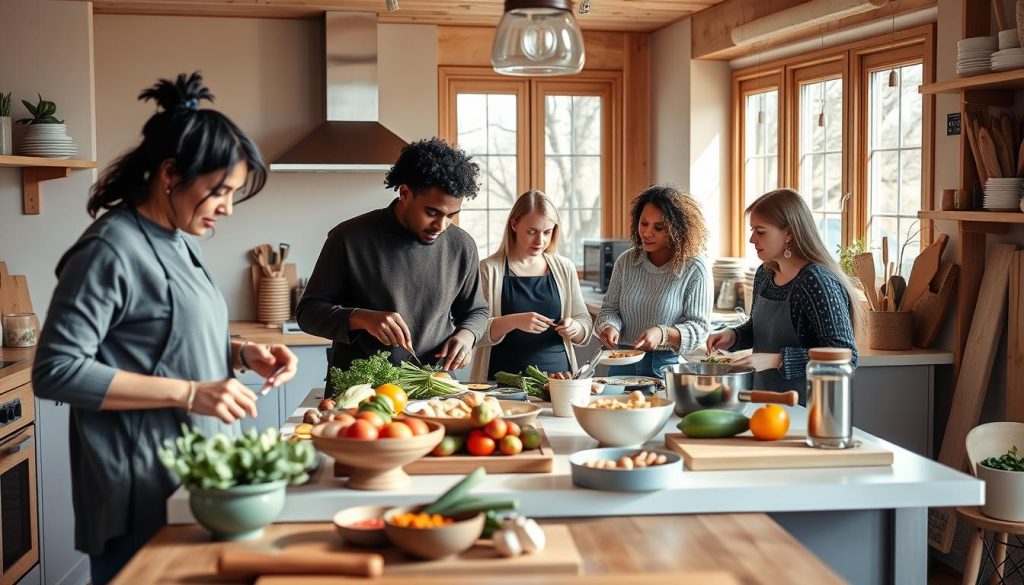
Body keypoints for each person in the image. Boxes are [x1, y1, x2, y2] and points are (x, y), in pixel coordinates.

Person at [31, 73, 297, 585]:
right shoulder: (110, 248)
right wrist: (192, 392)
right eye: (218, 191)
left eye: (233, 193)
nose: (227, 206)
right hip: (140, 488)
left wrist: (243, 355)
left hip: (191, 478)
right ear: (171, 174)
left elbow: (166, 338)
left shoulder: (176, 239)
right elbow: (56, 370)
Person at [296, 138, 489, 378]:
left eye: (451, 215)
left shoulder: (462, 246)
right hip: (361, 391)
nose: (441, 225)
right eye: (432, 212)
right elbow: (308, 314)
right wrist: (362, 318)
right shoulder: (349, 237)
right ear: (405, 193)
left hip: (432, 389)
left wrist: (466, 335)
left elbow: (477, 311)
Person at [706, 188, 860, 400]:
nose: (751, 239)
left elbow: (845, 356)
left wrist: (775, 360)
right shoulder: (764, 274)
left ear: (789, 233)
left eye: (760, 232)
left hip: (809, 409)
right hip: (762, 399)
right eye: (752, 230)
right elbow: (760, 329)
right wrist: (733, 335)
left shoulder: (817, 281)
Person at [470, 190, 593, 381]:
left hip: (559, 381)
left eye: (547, 232)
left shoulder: (564, 268)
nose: (540, 241)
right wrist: (514, 321)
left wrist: (575, 328)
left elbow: (584, 321)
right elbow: (475, 331)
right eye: (532, 231)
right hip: (501, 384)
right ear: (514, 224)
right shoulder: (488, 269)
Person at [595, 184, 712, 379]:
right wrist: (610, 326)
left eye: (659, 227)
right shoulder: (626, 261)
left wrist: (662, 333)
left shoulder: (694, 268)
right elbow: (609, 310)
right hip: (621, 362)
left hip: (665, 367)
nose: (647, 233)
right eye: (643, 223)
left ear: (678, 231)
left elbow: (699, 329)